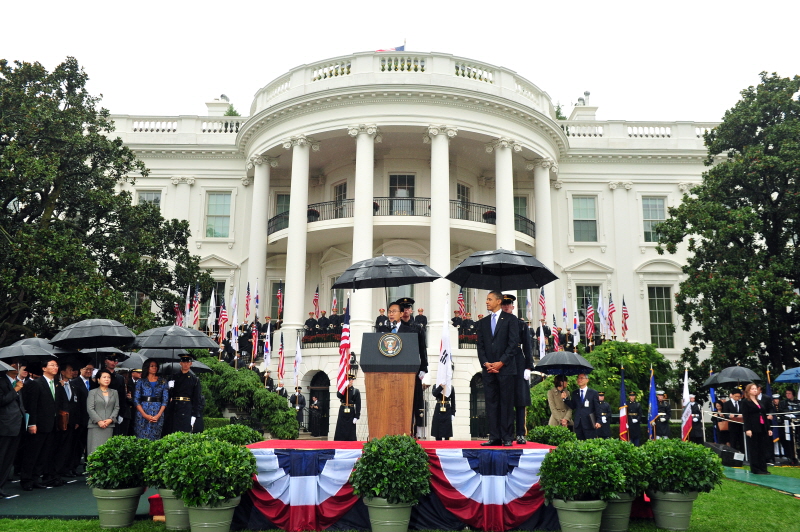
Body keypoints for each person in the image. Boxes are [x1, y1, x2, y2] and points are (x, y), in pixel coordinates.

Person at [476, 290, 520, 446]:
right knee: (491, 404)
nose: (487, 302)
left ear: (498, 301)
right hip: (488, 370)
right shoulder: (482, 323)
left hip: (506, 369)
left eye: (489, 299)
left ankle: (507, 437)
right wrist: (486, 363)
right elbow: (480, 347)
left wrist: (501, 362)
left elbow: (513, 344)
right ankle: (494, 436)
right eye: (486, 299)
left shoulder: (511, 320)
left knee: (506, 404)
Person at [21, 357, 63, 490]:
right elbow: (32, 405)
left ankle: (35, 478)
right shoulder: (36, 383)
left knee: (44, 454)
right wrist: (32, 423)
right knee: (32, 453)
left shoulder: (57, 383)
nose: (55, 368)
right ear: (44, 368)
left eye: (56, 365)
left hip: (52, 424)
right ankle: (26, 480)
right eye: (52, 365)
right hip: (39, 424)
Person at [392, 298, 429, 437]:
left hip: (414, 370)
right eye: (403, 309)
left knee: (415, 400)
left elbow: (422, 349)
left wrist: (423, 368)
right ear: (400, 313)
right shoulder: (395, 328)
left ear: (411, 310)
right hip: (398, 369)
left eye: (408, 308)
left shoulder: (417, 327)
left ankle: (415, 431)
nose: (406, 311)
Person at [500, 294, 533, 444]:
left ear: (513, 306)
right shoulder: (498, 323)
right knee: (504, 400)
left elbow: (527, 345)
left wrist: (528, 366)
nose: (506, 306)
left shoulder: (521, 324)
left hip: (518, 362)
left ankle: (520, 433)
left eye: (509, 304)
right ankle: (505, 434)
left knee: (520, 400)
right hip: (503, 362)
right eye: (504, 304)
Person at [0, 359, 26, 497]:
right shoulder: (1, 381)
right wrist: (15, 390)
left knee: (9, 458)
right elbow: (2, 400)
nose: (17, 367)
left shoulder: (18, 381)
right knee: (2, 456)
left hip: (17, 424)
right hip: (5, 425)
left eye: (18, 364)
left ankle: (2, 486)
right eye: (14, 365)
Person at [54, 361, 81, 479]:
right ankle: (56, 472)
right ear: (63, 371)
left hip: (72, 422)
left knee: (69, 447)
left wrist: (76, 421)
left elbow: (76, 404)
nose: (72, 372)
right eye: (69, 370)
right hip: (60, 422)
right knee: (59, 447)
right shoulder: (57, 385)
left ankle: (66, 469)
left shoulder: (74, 386)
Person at [163, 355, 202, 435]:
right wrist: (170, 387)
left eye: (188, 362)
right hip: (174, 407)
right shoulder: (173, 377)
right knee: (171, 430)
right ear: (180, 363)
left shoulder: (194, 379)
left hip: (186, 407)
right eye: (184, 362)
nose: (185, 364)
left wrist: (194, 415)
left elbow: (196, 398)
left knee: (184, 431)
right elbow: (168, 396)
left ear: (191, 364)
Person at [86, 369, 120, 456]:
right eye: (104, 377)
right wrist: (99, 421)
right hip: (95, 425)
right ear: (98, 379)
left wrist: (110, 419)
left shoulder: (114, 392)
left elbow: (116, 407)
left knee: (107, 451)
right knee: (94, 450)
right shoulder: (92, 392)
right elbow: (90, 408)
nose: (107, 379)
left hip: (109, 425)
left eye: (109, 377)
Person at [741, 382, 773, 474]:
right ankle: (755, 468)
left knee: (762, 448)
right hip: (753, 427)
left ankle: (763, 468)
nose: (755, 390)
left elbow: (764, 414)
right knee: (754, 448)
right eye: (753, 389)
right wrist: (747, 429)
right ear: (748, 391)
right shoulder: (745, 402)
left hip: (762, 427)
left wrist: (768, 428)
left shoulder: (759, 401)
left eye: (756, 388)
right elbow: (746, 416)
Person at [133, 359, 169, 440]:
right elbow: (136, 400)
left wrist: (158, 415)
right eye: (152, 366)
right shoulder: (141, 381)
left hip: (157, 410)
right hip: (143, 410)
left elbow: (165, 400)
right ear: (147, 367)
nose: (154, 368)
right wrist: (144, 415)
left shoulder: (163, 381)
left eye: (156, 366)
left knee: (155, 437)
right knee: (141, 438)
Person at [562, 373, 601, 440]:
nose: (579, 380)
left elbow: (597, 408)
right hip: (578, 424)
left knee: (590, 443)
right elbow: (573, 406)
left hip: (589, 423)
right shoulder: (575, 393)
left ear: (587, 380)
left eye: (581, 378)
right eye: (578, 378)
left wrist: (599, 421)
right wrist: (565, 399)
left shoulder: (593, 393)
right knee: (579, 444)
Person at [103, 354, 130, 437]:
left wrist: (121, 413)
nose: (113, 362)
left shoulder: (120, 378)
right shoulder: (100, 375)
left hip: (115, 409)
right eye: (111, 360)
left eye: (115, 361)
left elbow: (122, 397)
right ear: (105, 361)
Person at [334, 374, 360, 441]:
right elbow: (339, 395)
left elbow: (358, 404)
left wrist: (357, 416)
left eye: (350, 380)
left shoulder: (355, 391)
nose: (349, 381)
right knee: (341, 427)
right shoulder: (343, 390)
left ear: (352, 381)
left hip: (351, 410)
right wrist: (344, 387)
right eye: (348, 380)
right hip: (343, 409)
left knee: (350, 428)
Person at [779, 389, 799, 465]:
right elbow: (781, 412)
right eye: (786, 393)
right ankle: (790, 457)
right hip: (787, 425)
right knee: (788, 441)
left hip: (797, 424)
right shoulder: (783, 403)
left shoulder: (798, 402)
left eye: (789, 393)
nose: (788, 395)